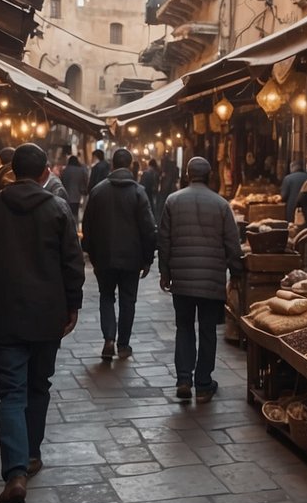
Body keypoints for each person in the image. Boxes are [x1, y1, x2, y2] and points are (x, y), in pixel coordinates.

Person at [0, 144, 84, 503]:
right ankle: (32, 454)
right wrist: (73, 304)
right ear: (45, 173)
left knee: (11, 392)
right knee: (38, 385)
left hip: (2, 314)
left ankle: (15, 472)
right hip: (47, 317)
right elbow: (73, 263)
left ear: (11, 171)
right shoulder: (58, 209)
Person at [158, 156, 243, 403]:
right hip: (211, 281)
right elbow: (232, 244)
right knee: (207, 330)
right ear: (209, 176)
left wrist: (165, 271)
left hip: (182, 280)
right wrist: (236, 272)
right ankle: (204, 384)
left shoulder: (172, 201)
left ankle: (184, 379)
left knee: (184, 327)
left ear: (187, 175)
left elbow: (164, 240)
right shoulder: (221, 205)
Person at [82, 148, 156, 360]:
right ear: (131, 165)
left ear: (112, 165)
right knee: (127, 300)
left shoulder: (98, 191)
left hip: (104, 256)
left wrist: (91, 252)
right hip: (132, 258)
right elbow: (148, 228)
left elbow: (87, 226)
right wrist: (148, 258)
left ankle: (109, 339)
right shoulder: (138, 192)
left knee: (106, 297)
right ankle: (123, 344)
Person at [61, 155, 88, 219]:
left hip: (66, 195)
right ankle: (76, 223)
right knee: (75, 213)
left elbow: (62, 182)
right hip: (77, 196)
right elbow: (85, 181)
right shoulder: (81, 170)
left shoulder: (65, 170)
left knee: (67, 213)